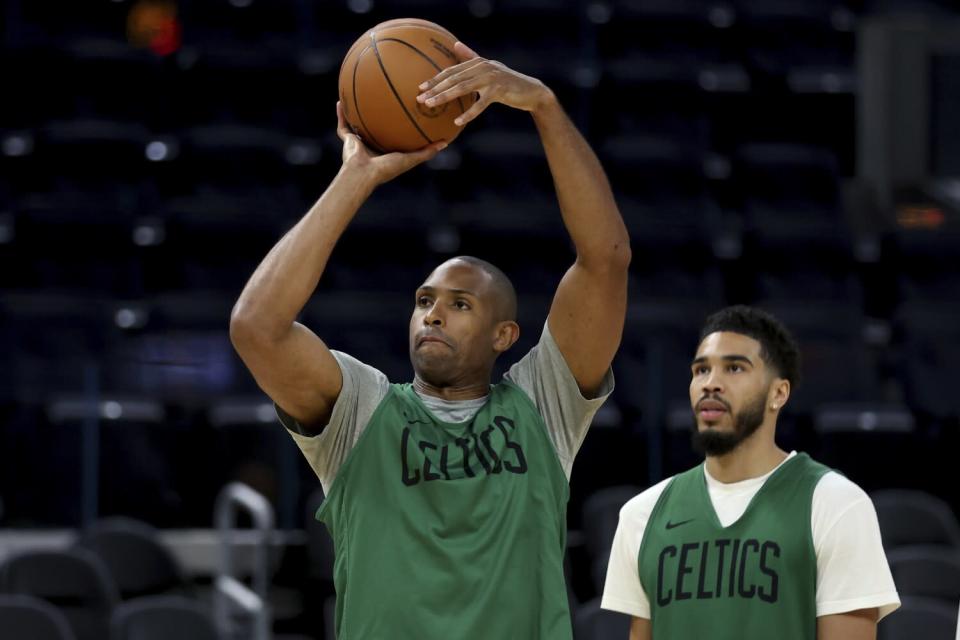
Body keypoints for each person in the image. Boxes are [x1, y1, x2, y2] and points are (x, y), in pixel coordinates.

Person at [229, 41, 630, 639]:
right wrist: (356, 176)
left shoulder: (544, 404)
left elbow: (607, 260)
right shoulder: (361, 412)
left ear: (505, 335)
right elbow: (255, 328)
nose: (432, 315)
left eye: (458, 304)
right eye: (423, 302)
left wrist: (544, 106)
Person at [601, 306, 900, 640]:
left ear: (778, 393)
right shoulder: (641, 515)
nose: (710, 384)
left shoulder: (836, 504)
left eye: (734, 368)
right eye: (701, 370)